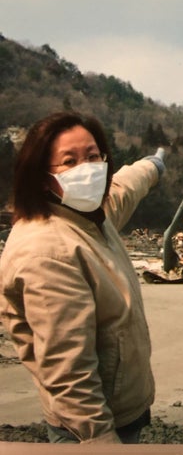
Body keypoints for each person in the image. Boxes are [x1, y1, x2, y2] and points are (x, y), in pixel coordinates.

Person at [0, 112, 166, 444]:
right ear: (44, 176)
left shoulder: (87, 216)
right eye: (69, 161)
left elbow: (122, 190)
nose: (86, 169)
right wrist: (99, 439)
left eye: (92, 157)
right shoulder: (47, 250)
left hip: (122, 411)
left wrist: (152, 166)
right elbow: (68, 370)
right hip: (88, 429)